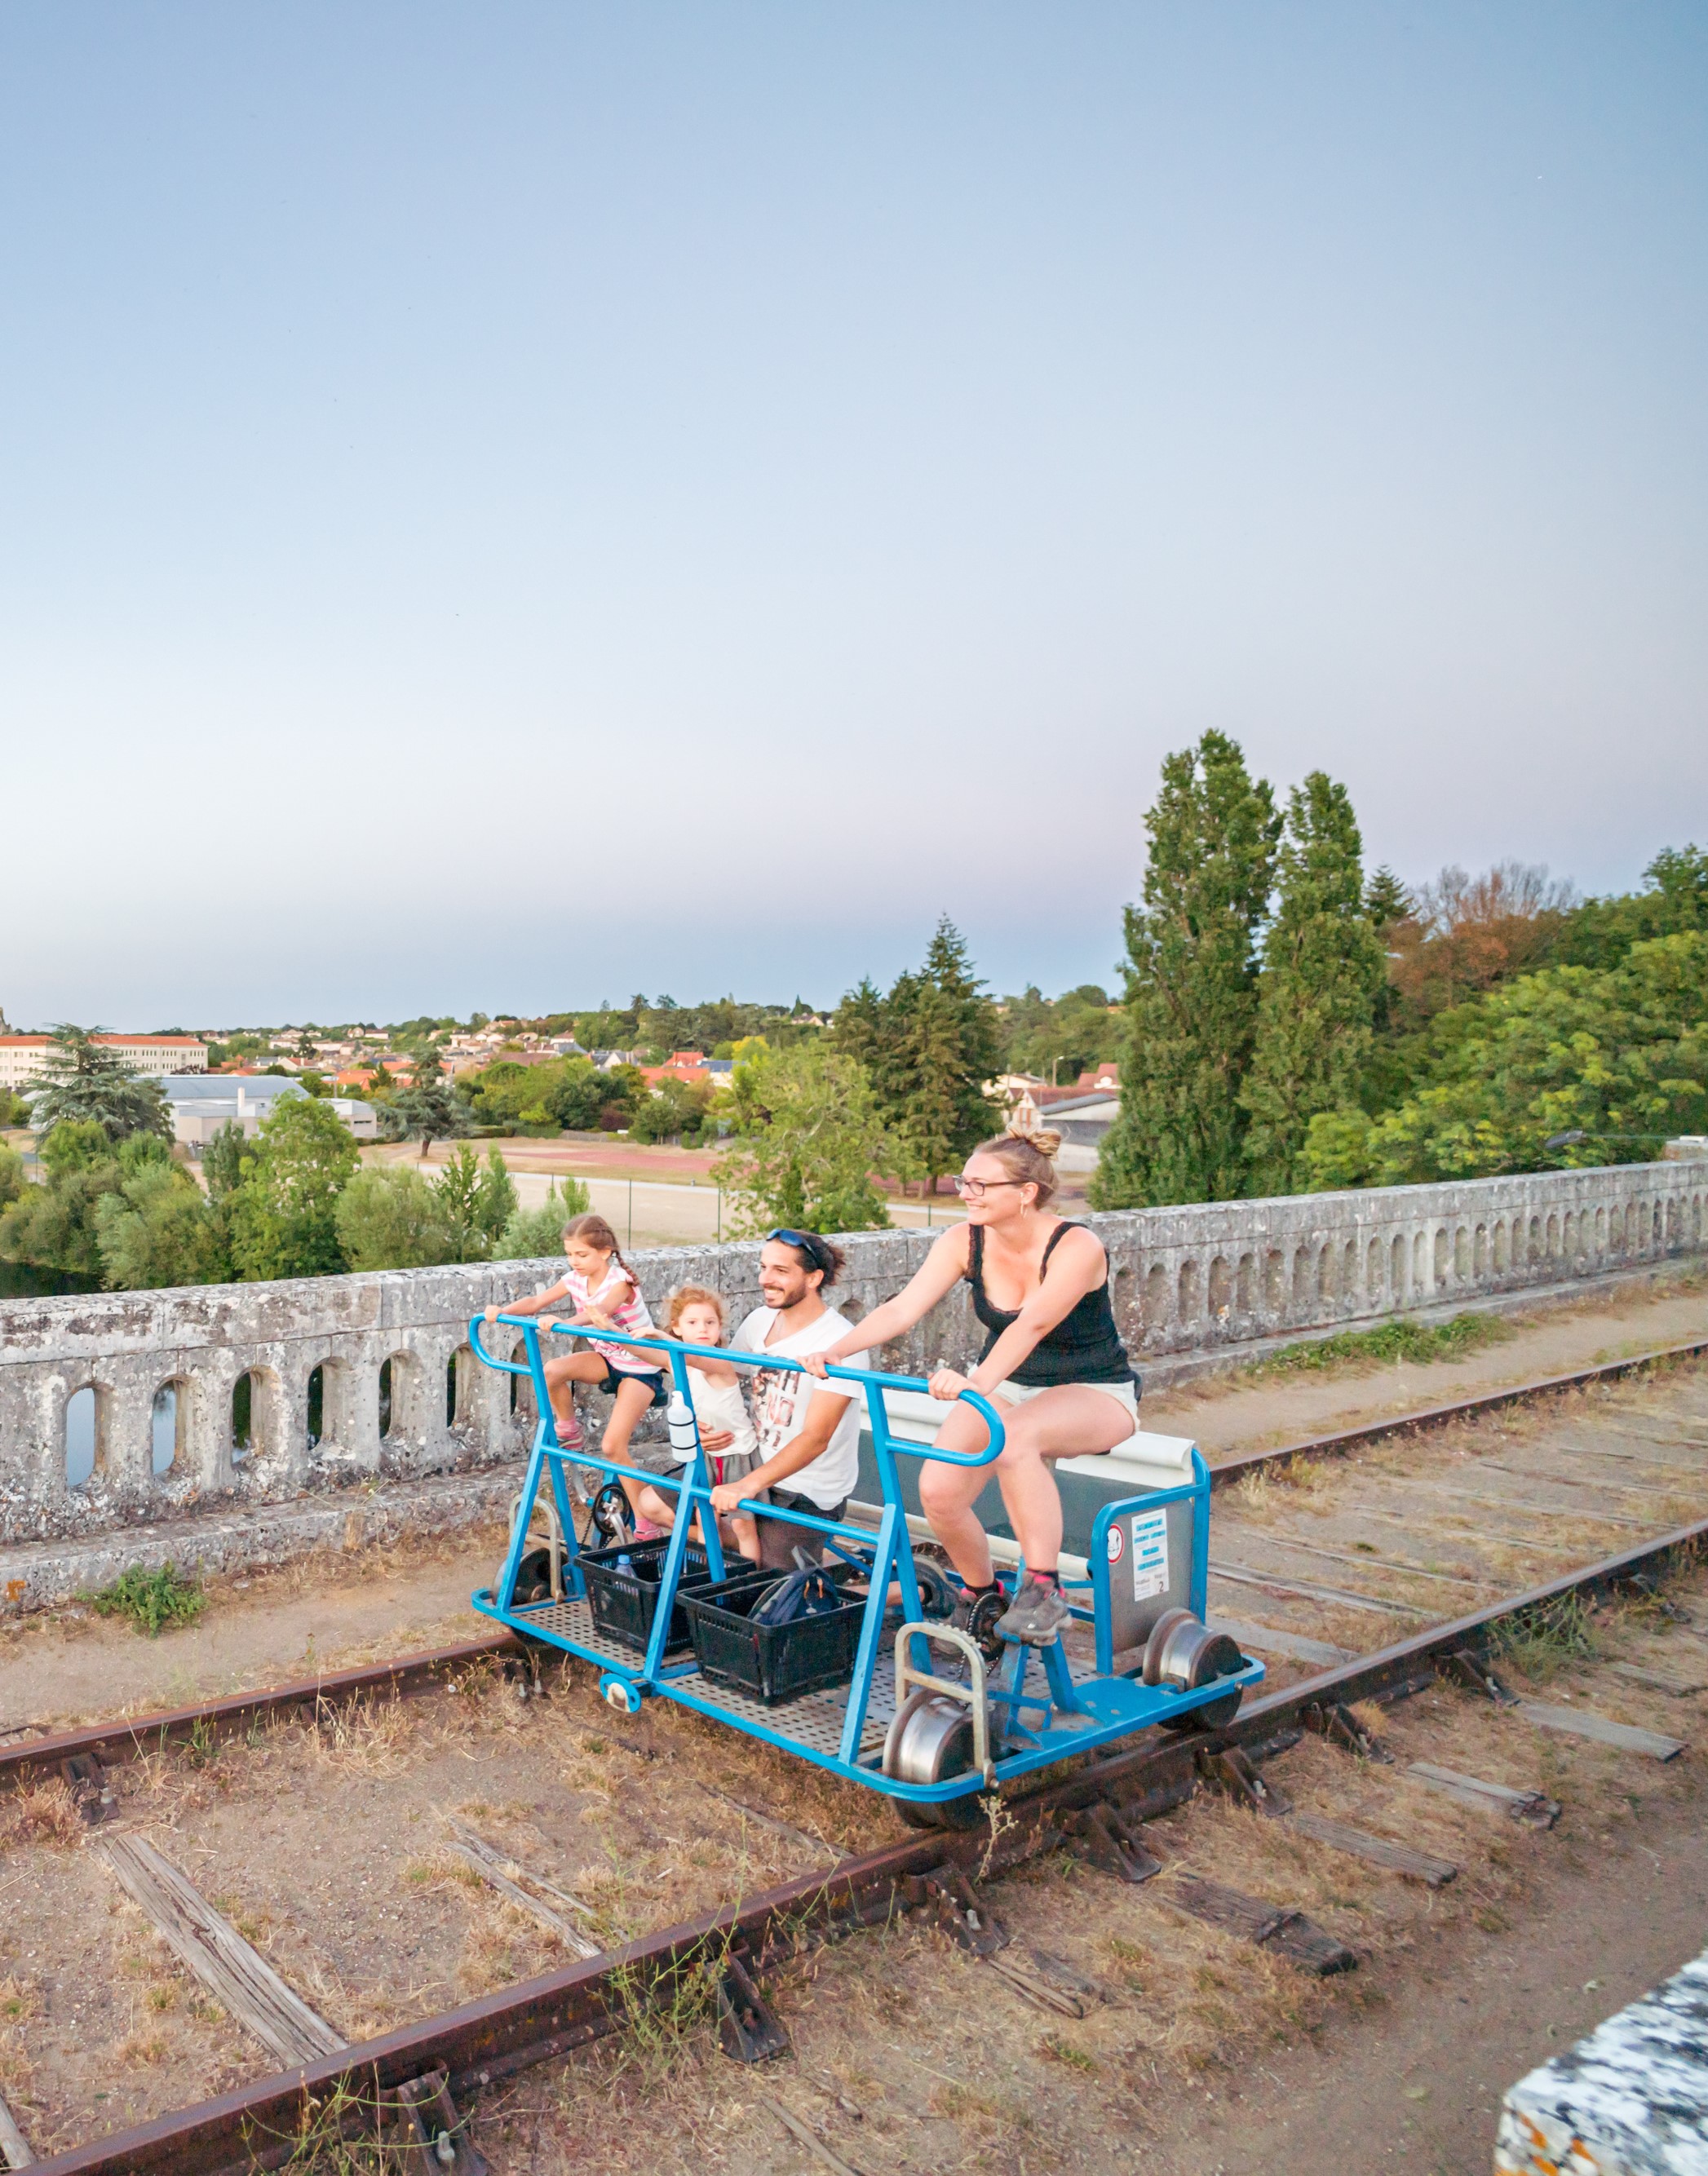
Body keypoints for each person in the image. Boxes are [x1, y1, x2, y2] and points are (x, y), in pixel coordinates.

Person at [802, 1126, 1137, 1646]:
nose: (965, 1193)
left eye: (981, 1185)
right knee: (938, 1490)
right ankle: (981, 1595)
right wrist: (837, 1350)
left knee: (1016, 1437)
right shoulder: (964, 1240)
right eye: (965, 1181)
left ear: (1025, 1193)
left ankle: (1045, 1592)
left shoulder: (1078, 1245)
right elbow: (905, 1307)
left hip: (1093, 1389)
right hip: (1008, 1385)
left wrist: (974, 1383)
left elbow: (1033, 1325)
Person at [485, 1212, 667, 1523]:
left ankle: (645, 1519)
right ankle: (569, 1428)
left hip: (639, 1366)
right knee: (552, 1370)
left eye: (582, 1254)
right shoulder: (574, 1279)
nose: (574, 1261)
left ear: (605, 1252)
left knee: (612, 1446)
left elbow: (600, 1312)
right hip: (610, 1360)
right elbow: (536, 1302)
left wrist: (564, 1323)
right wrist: (501, 1310)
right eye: (570, 1254)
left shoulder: (619, 1282)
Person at [707, 1230, 872, 1572]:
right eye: (763, 1267)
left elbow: (816, 1438)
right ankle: (809, 1562)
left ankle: (909, 1589)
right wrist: (703, 1427)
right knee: (652, 1503)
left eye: (780, 1271)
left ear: (813, 1278)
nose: (765, 1279)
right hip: (750, 1459)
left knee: (774, 1584)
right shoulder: (760, 1320)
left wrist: (745, 1486)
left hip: (805, 1488)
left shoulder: (841, 1343)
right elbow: (723, 1377)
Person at [634, 1285, 763, 1564]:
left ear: (719, 1328)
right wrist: (606, 1325)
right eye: (692, 1323)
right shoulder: (680, 1361)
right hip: (706, 1453)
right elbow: (641, 1351)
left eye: (710, 1322)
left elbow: (688, 1356)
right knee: (707, 1520)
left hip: (737, 1452)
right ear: (678, 1327)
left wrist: (663, 1338)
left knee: (743, 1525)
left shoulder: (719, 1360)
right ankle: (709, 1574)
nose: (702, 1329)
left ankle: (754, 1578)